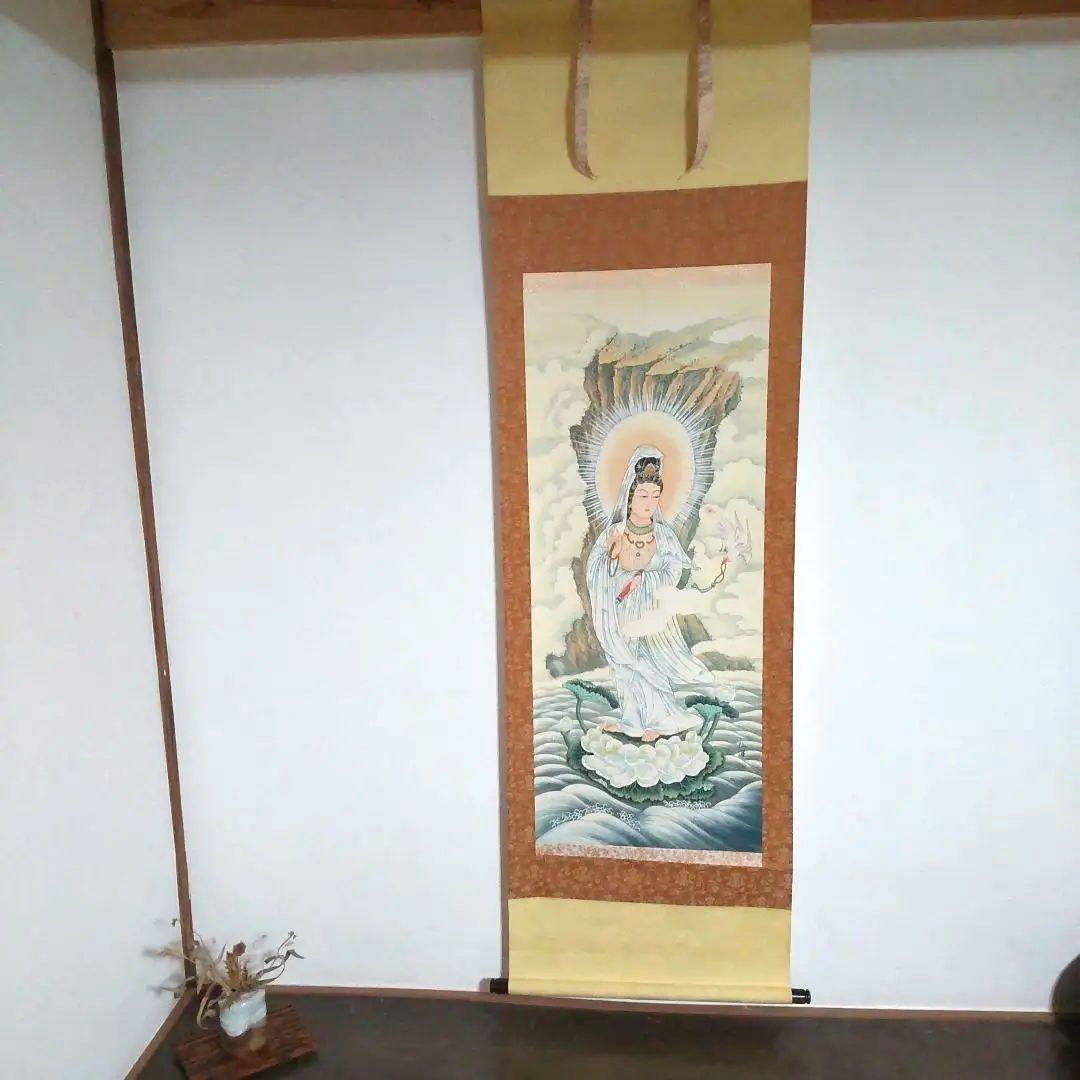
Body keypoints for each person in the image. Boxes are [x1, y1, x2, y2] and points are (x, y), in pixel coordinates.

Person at [585, 445, 712, 741]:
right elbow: (596, 569)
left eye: (655, 496)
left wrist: (645, 579)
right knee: (624, 667)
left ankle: (661, 721)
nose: (649, 503)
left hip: (650, 615)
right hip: (619, 613)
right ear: (630, 496)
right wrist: (612, 557)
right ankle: (631, 721)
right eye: (643, 495)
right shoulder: (614, 532)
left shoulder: (663, 535)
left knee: (648, 663)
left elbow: (674, 570)